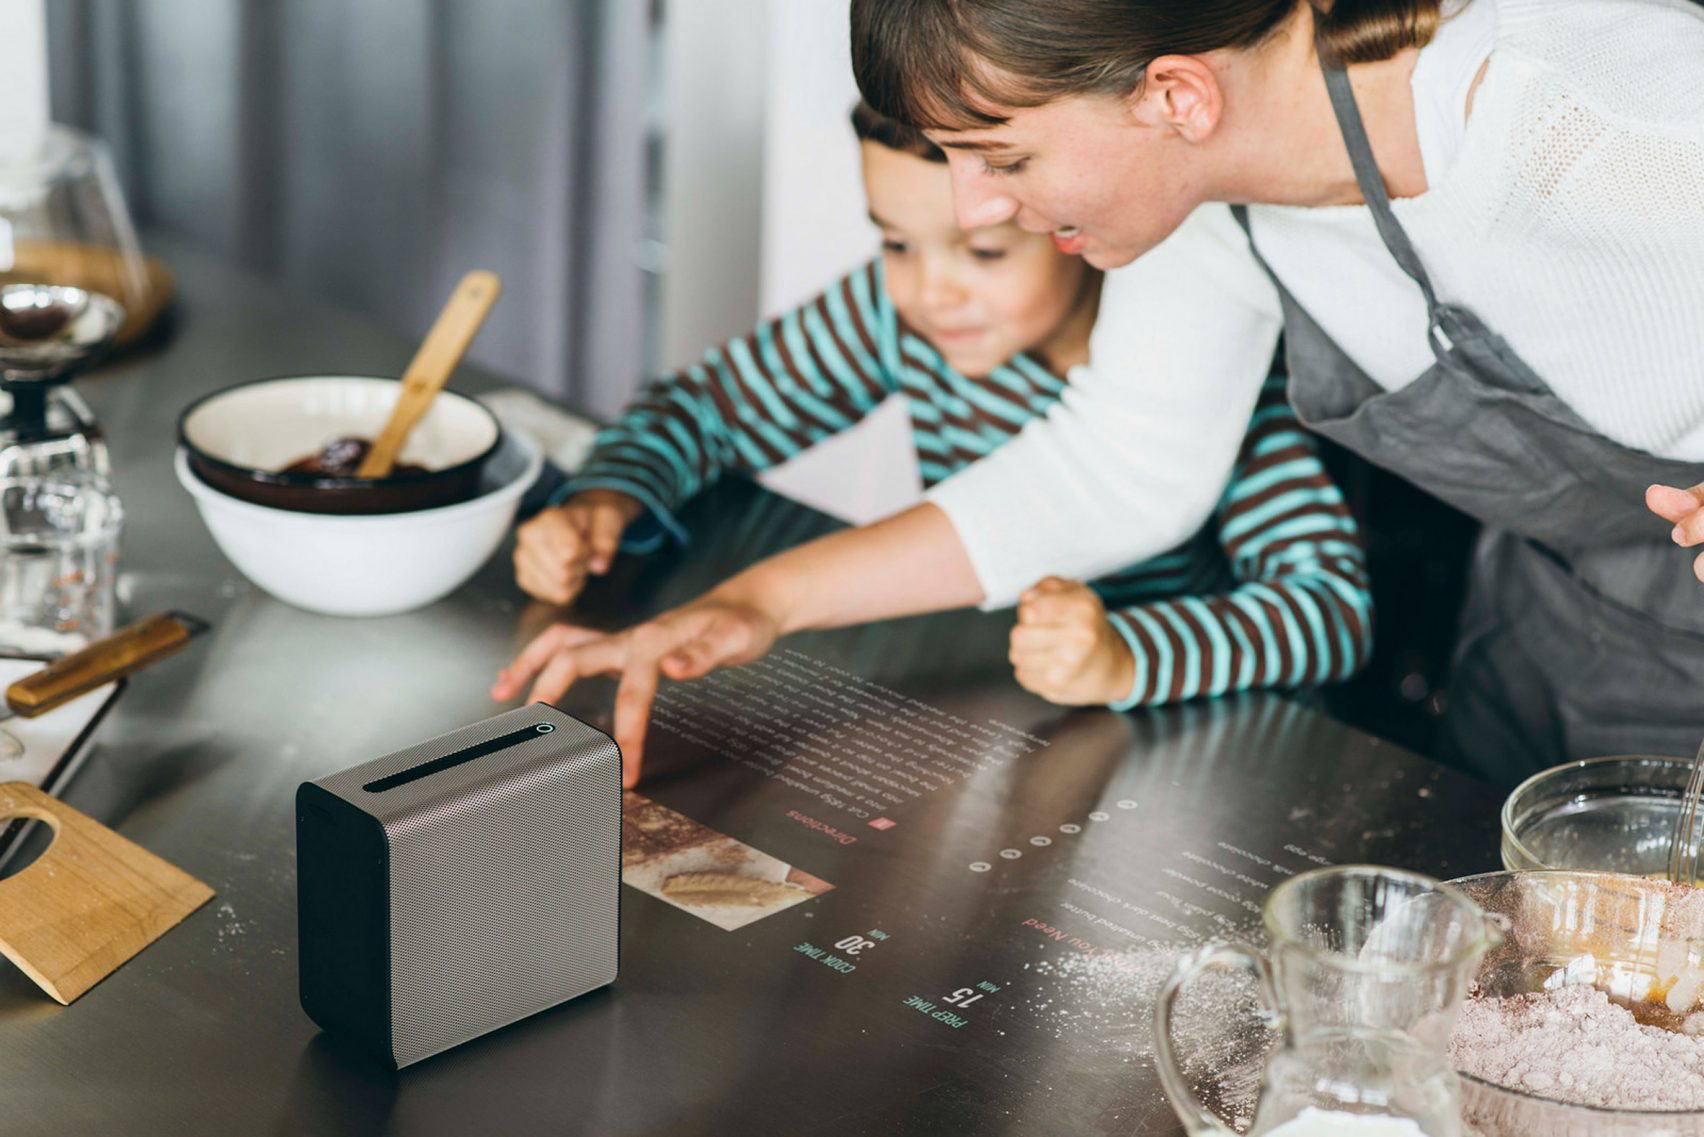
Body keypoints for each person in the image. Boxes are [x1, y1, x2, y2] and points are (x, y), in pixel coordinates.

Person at [496, 102, 1374, 781]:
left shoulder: (1218, 383)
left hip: (1172, 757)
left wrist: (1126, 655)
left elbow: (1332, 608)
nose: (930, 291)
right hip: (992, 720)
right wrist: (606, 499)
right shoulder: (899, 317)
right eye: (895, 242)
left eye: (984, 252)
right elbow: (707, 407)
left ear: (1079, 220)